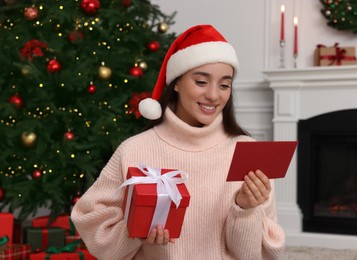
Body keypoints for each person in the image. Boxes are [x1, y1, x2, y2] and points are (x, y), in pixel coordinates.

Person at [71, 24, 286, 259]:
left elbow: (253, 255)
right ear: (176, 82)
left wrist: (245, 209)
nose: (214, 95)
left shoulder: (248, 152)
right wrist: (135, 229)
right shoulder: (135, 149)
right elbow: (93, 225)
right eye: (201, 82)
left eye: (224, 85)